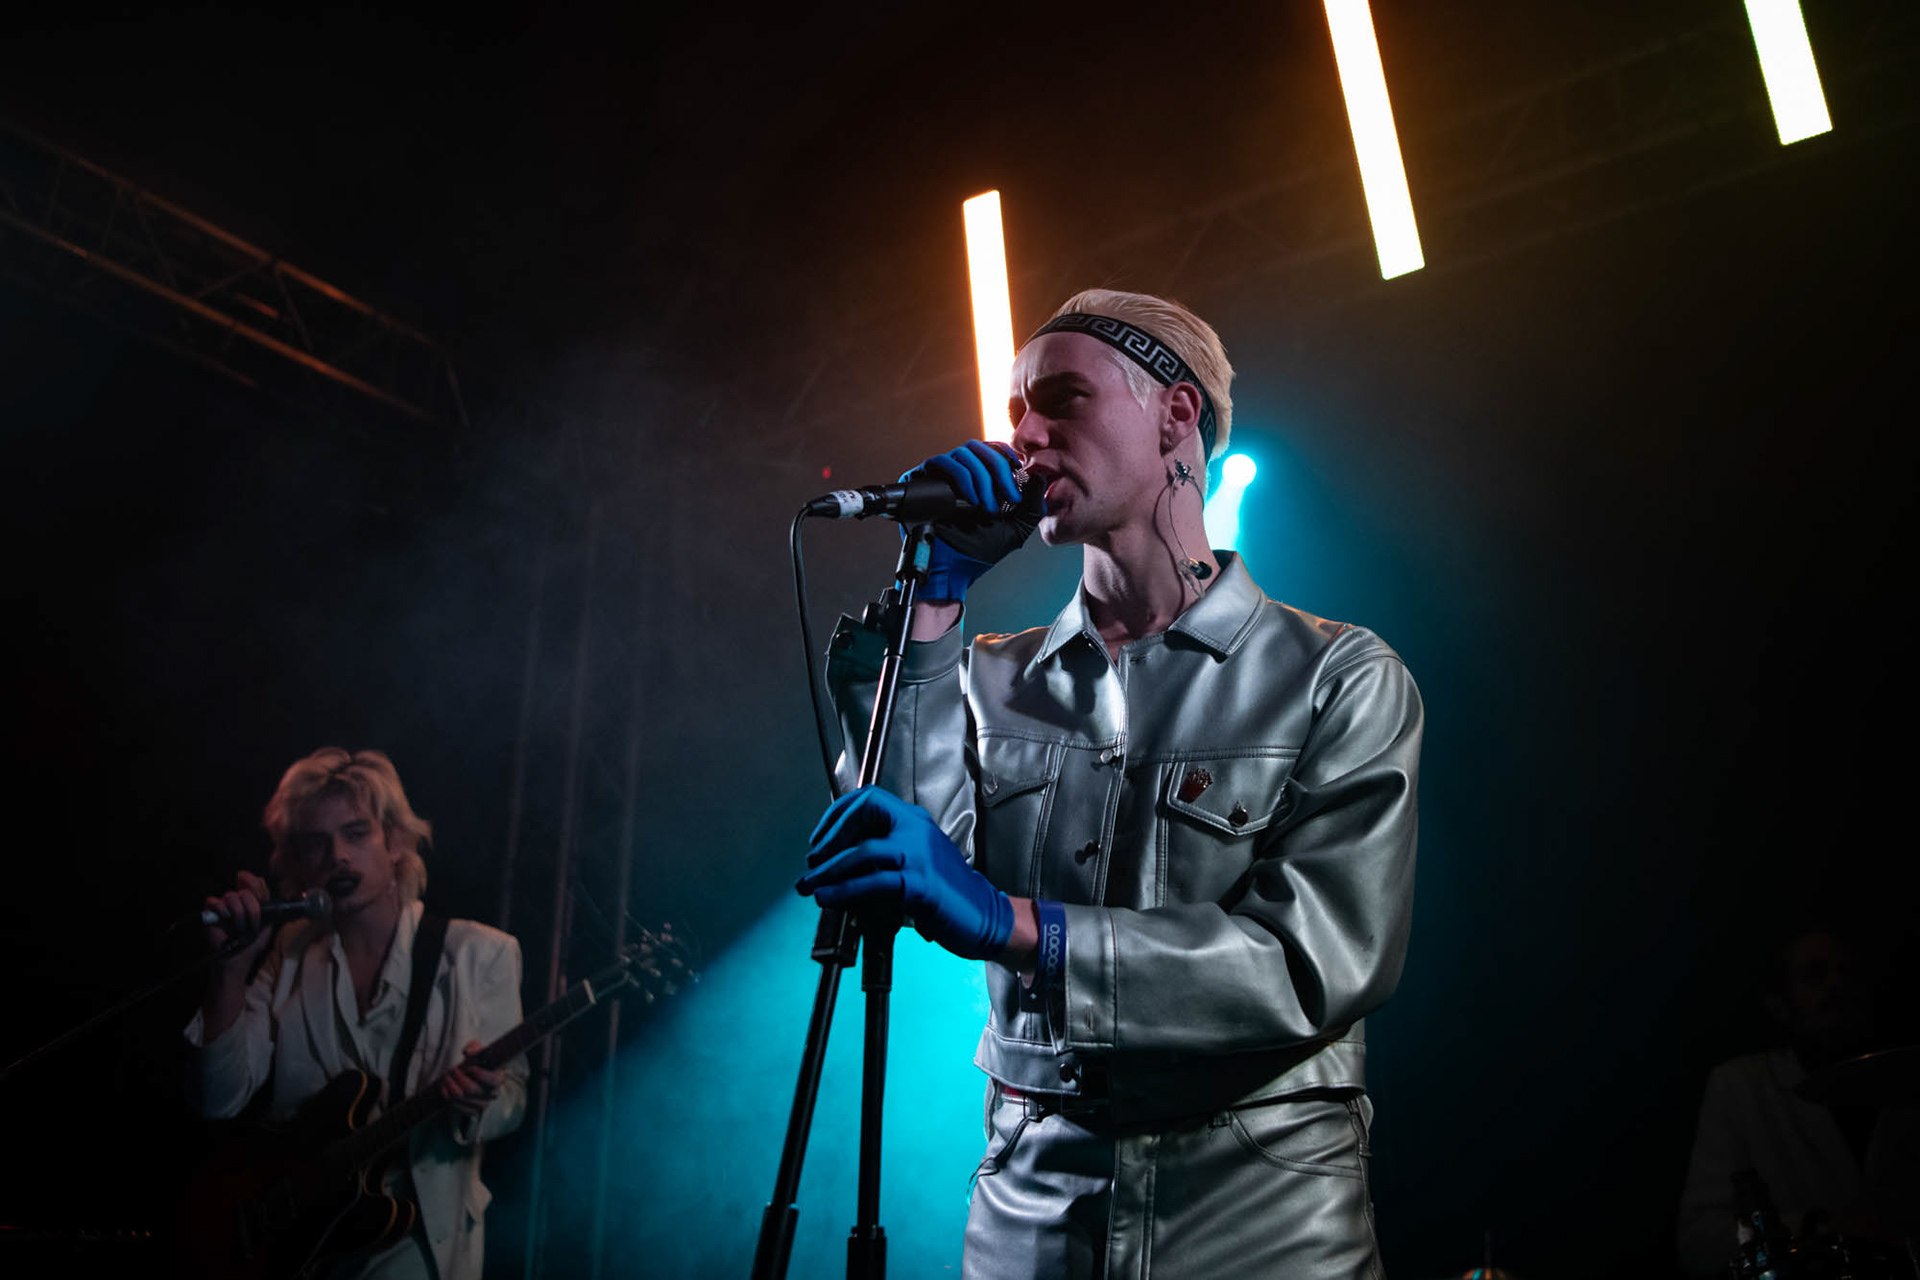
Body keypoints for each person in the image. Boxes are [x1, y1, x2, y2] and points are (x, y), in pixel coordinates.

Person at [797, 290, 1423, 1277]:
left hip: (1262, 1225)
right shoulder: (983, 677)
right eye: (1016, 413)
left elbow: (1313, 963)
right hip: (1032, 1217)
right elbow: (902, 854)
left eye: (1062, 400)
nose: (1023, 436)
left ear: (1176, 415)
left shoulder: (1338, 678)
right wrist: (933, 602)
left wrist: (1017, 925)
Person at [185, 747, 528, 1280]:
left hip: (415, 1242)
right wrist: (229, 971)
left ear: (395, 841)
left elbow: (513, 1098)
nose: (338, 857)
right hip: (301, 1245)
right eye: (316, 843)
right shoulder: (289, 952)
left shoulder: (479, 954)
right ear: (297, 863)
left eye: (356, 833)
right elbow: (218, 1096)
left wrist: (484, 1097)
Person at [1677, 925, 1920, 1276]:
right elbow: (1700, 1239)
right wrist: (1822, 1226)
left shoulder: (1902, 1077)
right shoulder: (1742, 1087)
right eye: (1815, 975)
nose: (1836, 985)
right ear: (1779, 1003)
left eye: (1847, 972)